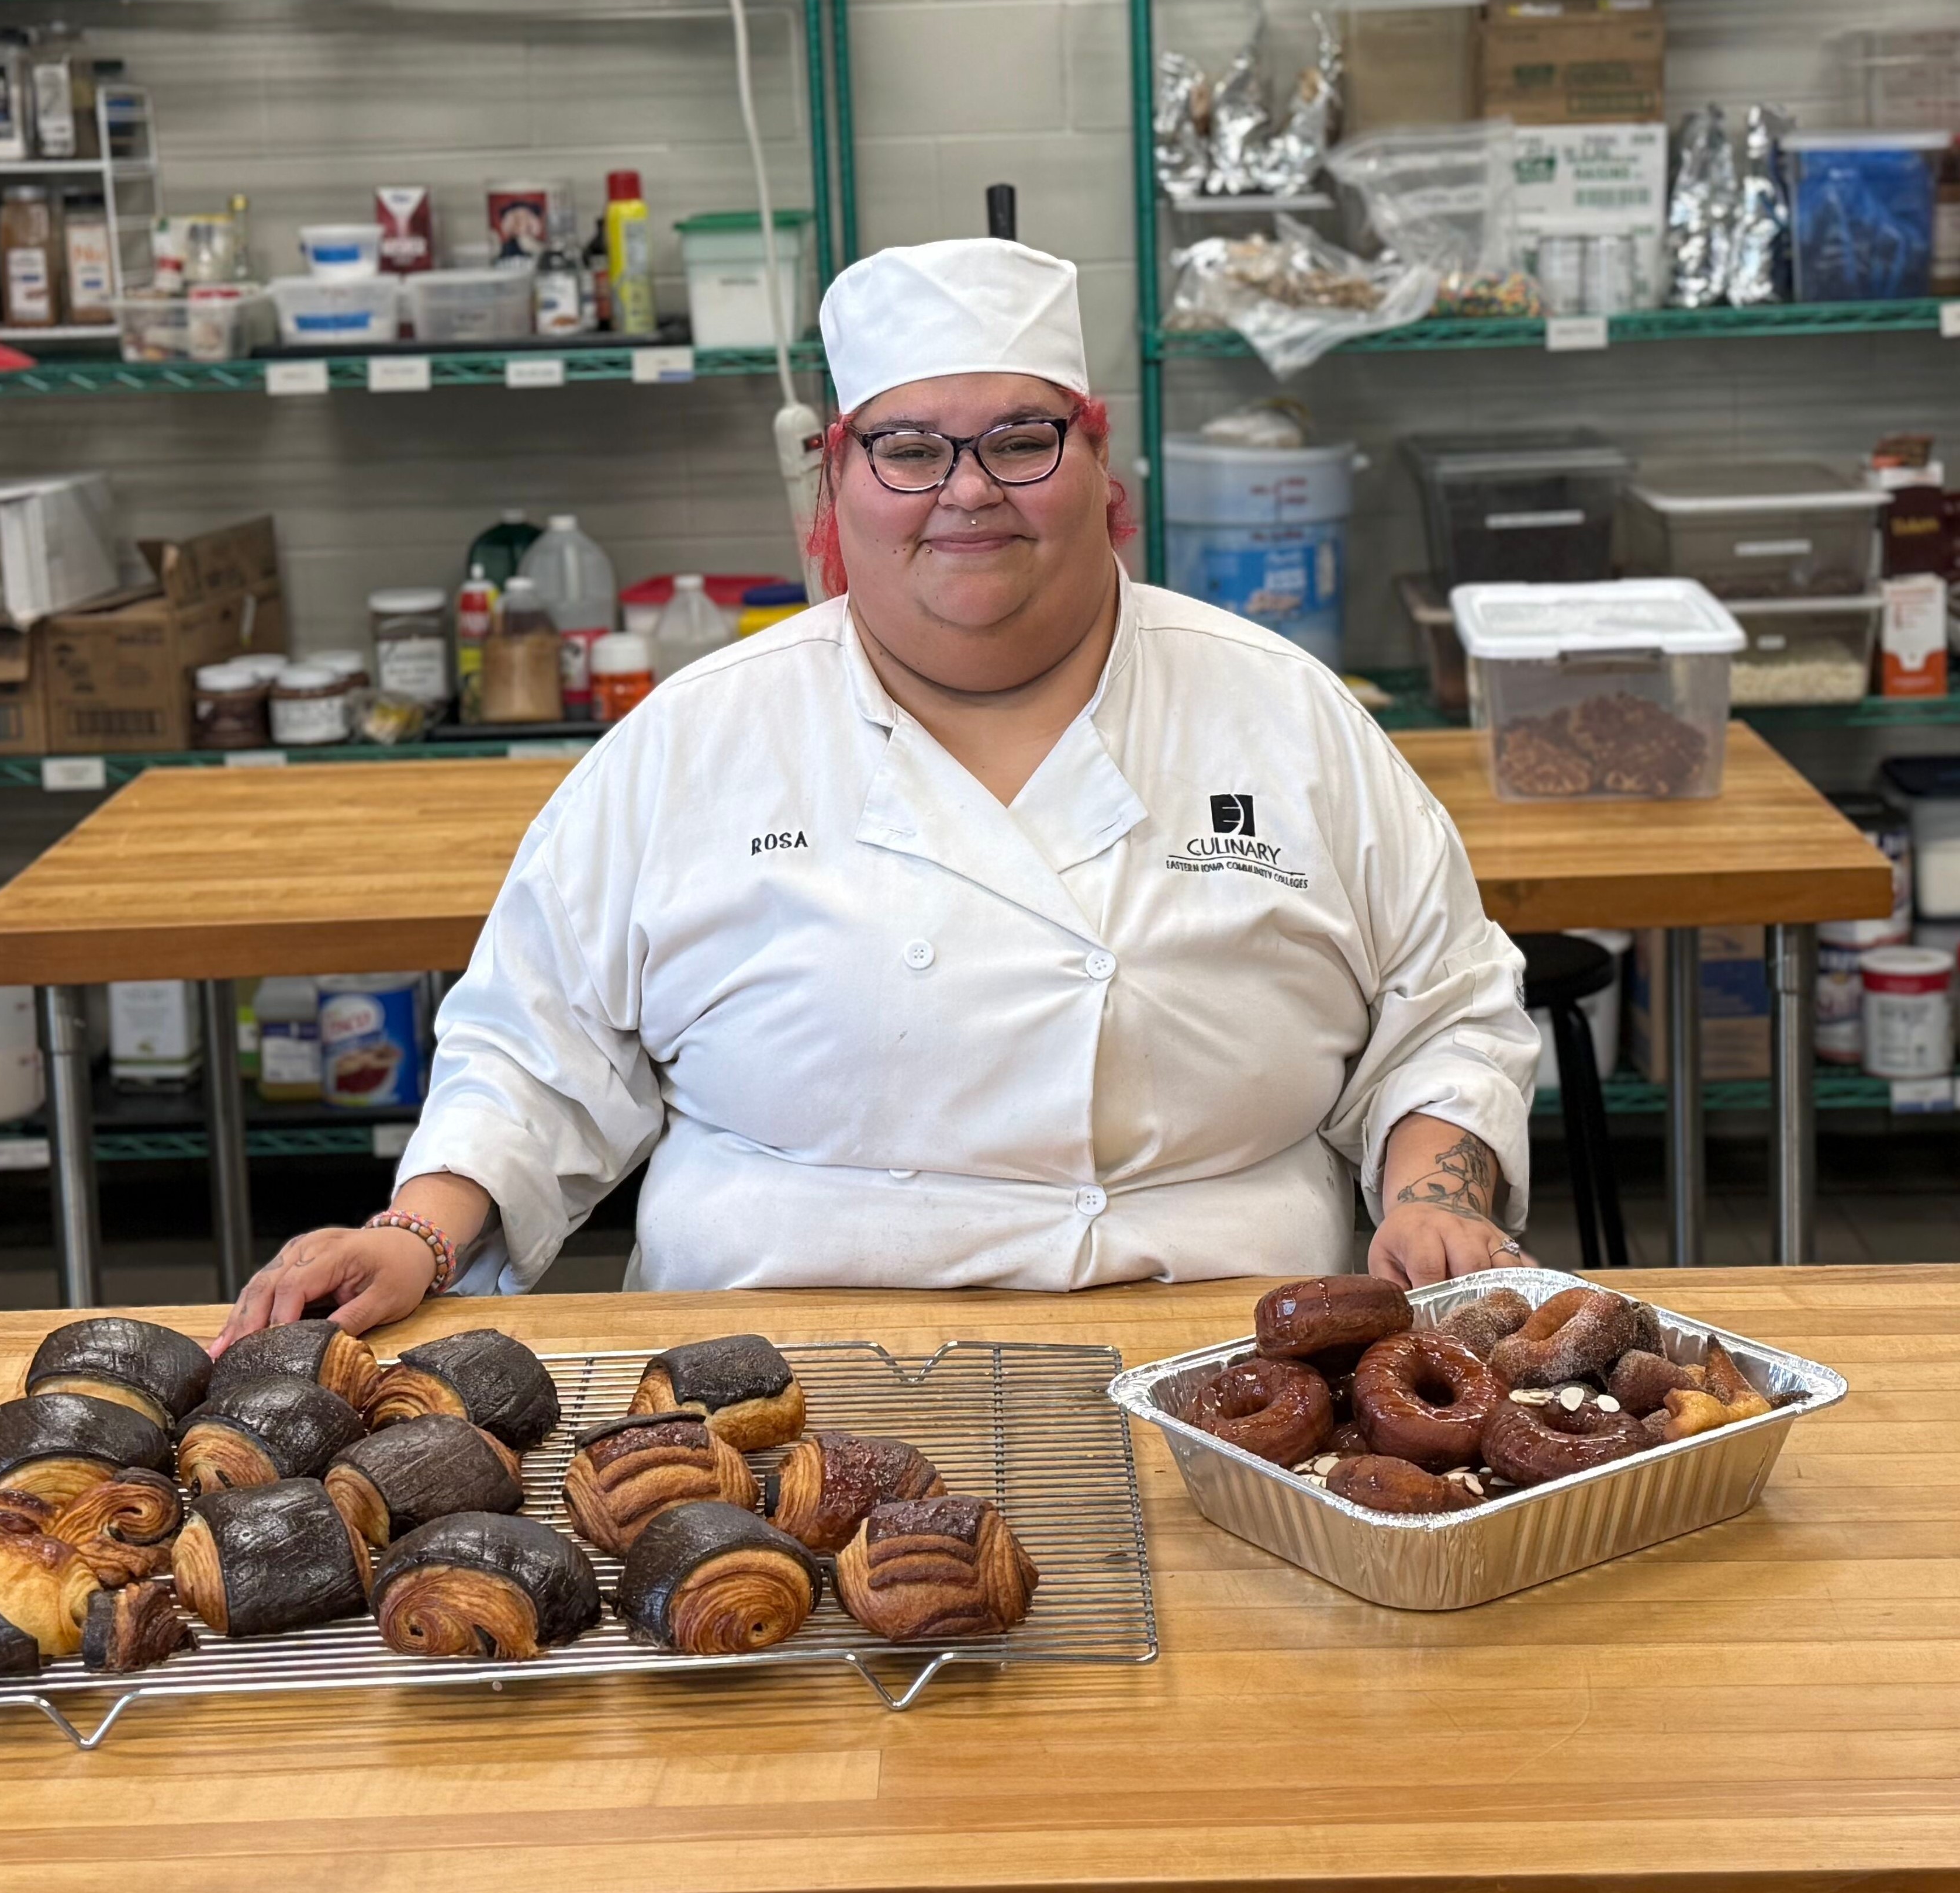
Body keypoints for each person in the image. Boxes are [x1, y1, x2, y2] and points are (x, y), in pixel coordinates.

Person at [210, 238, 1537, 1354]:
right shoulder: (697, 739)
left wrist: (1432, 1190)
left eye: (1018, 440)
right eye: (907, 449)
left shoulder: (1277, 709)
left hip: (1233, 1352)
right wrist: (413, 1233)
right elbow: (537, 1049)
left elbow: (1445, 1007)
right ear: (835, 479)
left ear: (1098, 459)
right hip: (769, 1365)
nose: (964, 492)